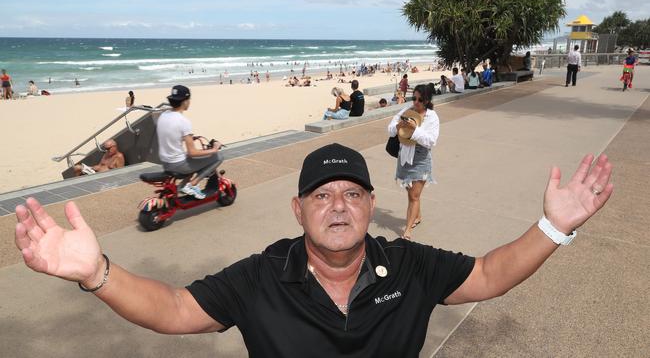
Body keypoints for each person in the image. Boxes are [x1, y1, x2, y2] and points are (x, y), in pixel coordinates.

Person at [13, 142, 613, 357]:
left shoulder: (409, 264)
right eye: (321, 195)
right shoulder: (261, 275)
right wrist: (97, 273)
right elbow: (173, 309)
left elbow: (486, 273)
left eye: (353, 193)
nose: (339, 206)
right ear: (297, 209)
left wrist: (552, 228)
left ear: (369, 202)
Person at [388, 83, 440, 239]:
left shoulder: (432, 117)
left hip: (420, 159)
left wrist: (414, 129)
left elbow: (431, 141)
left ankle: (407, 231)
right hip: (405, 157)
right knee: (412, 193)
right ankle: (417, 216)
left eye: (420, 99)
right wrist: (398, 126)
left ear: (427, 100)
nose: (416, 102)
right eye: (414, 98)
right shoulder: (406, 111)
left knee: (414, 197)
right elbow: (390, 128)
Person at [156, 85, 223, 199]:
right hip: (178, 165)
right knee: (218, 157)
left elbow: (172, 134)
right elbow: (192, 152)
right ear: (185, 101)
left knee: (192, 159)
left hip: (165, 162)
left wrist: (186, 138)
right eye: (189, 99)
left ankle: (182, 187)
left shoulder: (163, 115)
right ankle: (192, 184)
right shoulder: (183, 121)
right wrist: (214, 149)